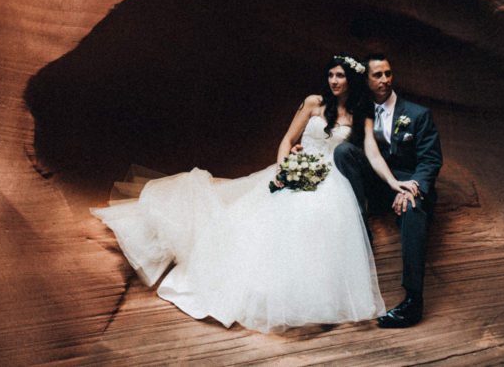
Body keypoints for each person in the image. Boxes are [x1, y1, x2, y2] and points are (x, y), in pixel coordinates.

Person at [91, 55, 418, 332]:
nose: (334, 81)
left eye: (341, 76)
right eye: (331, 75)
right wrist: (284, 168)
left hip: (333, 181)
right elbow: (286, 140)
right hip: (299, 168)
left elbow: (373, 154)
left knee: (324, 226)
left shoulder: (361, 114)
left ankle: (315, 299)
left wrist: (394, 183)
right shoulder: (313, 103)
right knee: (263, 223)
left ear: (352, 81)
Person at [333, 54, 443, 328]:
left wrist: (412, 188)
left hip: (407, 183)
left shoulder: (418, 114)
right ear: (366, 80)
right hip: (376, 186)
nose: (385, 80)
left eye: (388, 74)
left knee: (414, 209)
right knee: (344, 151)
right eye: (378, 75)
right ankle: (361, 220)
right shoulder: (360, 111)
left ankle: (413, 300)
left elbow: (430, 160)